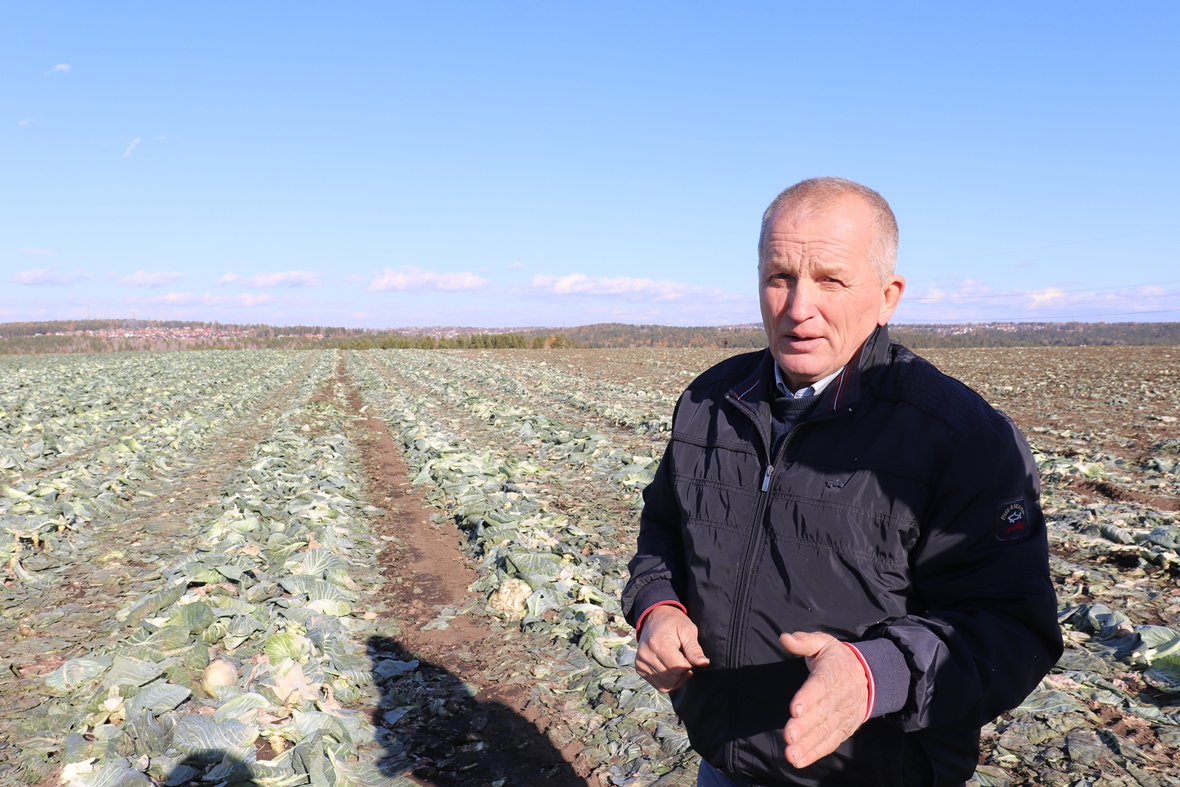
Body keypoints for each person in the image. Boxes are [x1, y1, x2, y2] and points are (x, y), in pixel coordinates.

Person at [621, 177, 1061, 787]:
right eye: (780, 277)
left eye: (830, 279)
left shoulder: (961, 438)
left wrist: (872, 674)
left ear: (887, 297)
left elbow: (1013, 628)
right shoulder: (709, 403)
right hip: (724, 762)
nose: (799, 307)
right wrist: (657, 609)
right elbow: (665, 529)